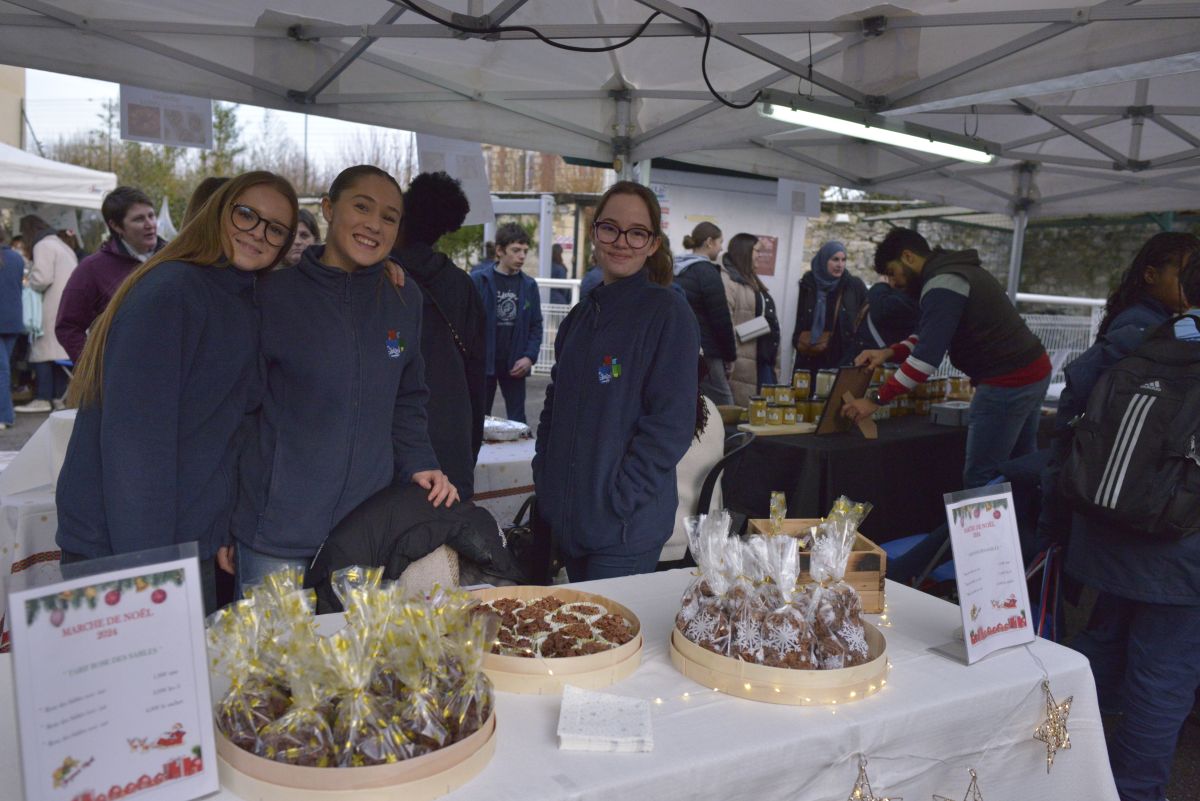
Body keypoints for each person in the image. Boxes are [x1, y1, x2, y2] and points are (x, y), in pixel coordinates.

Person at [55, 171, 299, 614]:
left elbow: (225, 430)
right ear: (219, 213)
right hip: (128, 554)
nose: (258, 234)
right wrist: (147, 575)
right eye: (247, 215)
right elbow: (136, 448)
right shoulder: (171, 292)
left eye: (275, 228)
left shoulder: (240, 295)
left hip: (186, 543)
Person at [232, 165, 455, 594]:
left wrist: (421, 462)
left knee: (352, 660)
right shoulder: (272, 295)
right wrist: (228, 520)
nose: (374, 223)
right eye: (362, 206)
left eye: (389, 217)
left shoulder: (403, 297)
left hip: (363, 531)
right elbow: (239, 412)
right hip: (273, 531)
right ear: (329, 209)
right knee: (272, 660)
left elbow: (408, 399)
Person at [1040, 232, 1200, 801]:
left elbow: (1072, 400)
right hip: (1180, 554)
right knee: (1161, 678)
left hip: (1106, 531)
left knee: (1101, 651)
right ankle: (1131, 792)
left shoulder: (1149, 335)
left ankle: (1041, 763)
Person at [534, 180, 700, 581]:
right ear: (595, 234)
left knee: (603, 642)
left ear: (652, 243)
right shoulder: (581, 316)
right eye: (610, 228)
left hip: (624, 532)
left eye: (636, 232)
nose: (621, 241)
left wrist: (620, 499)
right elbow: (555, 403)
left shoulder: (667, 314)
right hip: (570, 521)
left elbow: (671, 424)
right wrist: (547, 473)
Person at [844, 228, 1050, 488]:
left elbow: (925, 360)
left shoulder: (943, 283)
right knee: (1022, 466)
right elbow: (929, 334)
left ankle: (991, 529)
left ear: (908, 257)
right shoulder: (955, 273)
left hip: (1007, 383)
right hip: (1032, 371)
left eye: (892, 273)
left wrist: (875, 400)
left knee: (981, 477)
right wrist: (889, 352)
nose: (893, 284)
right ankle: (1026, 526)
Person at [391, 171, 487, 500]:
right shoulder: (462, 285)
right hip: (452, 433)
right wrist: (470, 443)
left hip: (395, 441)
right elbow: (479, 375)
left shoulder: (383, 279)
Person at [56, 186, 166, 364]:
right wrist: (95, 369)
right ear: (115, 225)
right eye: (139, 219)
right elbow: (68, 326)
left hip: (176, 376)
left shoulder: (174, 259)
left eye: (151, 215)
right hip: (125, 379)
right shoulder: (92, 269)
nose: (149, 224)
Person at [471, 222, 542, 423]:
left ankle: (519, 455)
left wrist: (529, 357)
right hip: (485, 362)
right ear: (500, 251)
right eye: (516, 250)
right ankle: (477, 455)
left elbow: (536, 324)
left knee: (518, 421)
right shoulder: (479, 280)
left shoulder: (529, 285)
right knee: (478, 419)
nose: (521, 256)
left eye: (525, 251)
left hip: (516, 362)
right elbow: (468, 322)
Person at [16, 214, 78, 413]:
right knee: (58, 353)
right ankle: (58, 396)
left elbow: (42, 278)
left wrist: (29, 279)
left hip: (50, 305)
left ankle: (42, 397)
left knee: (43, 352)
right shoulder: (63, 245)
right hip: (67, 304)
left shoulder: (42, 245)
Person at [674, 221, 736, 406]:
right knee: (723, 402)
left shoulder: (676, 269)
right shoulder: (707, 272)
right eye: (720, 242)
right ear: (709, 242)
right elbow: (720, 319)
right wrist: (730, 356)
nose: (721, 248)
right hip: (706, 351)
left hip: (679, 347)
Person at [721, 233, 780, 406]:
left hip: (764, 362)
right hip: (745, 365)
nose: (759, 256)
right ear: (745, 252)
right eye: (756, 251)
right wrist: (762, 326)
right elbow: (727, 328)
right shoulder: (729, 282)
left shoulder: (751, 279)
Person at [792, 240, 867, 375]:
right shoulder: (808, 284)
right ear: (824, 260)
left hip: (841, 357)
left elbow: (865, 316)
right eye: (835, 259)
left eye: (843, 260)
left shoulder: (853, 286)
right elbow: (798, 317)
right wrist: (796, 340)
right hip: (809, 357)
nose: (840, 265)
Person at [847, 274, 919, 363]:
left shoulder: (906, 298)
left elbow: (882, 310)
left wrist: (881, 285)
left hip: (881, 361)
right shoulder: (888, 294)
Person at [0, 225, 24, 430]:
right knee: (4, 366)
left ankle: (5, 415)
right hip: (13, 319)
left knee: (2, 369)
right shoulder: (17, 258)